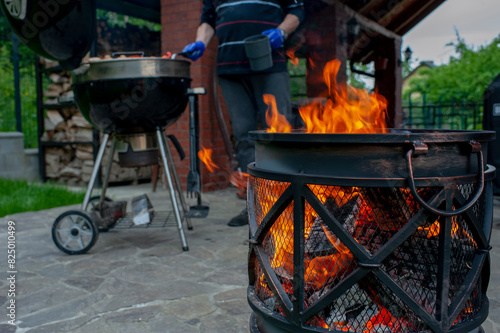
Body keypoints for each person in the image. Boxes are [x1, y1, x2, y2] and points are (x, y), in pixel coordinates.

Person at [182, 0, 305, 227]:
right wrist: (200, 42)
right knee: (244, 138)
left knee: (280, 134)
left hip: (270, 64)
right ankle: (256, 205)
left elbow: (296, 9)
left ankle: (290, 203)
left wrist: (281, 31)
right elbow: (208, 20)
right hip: (230, 70)